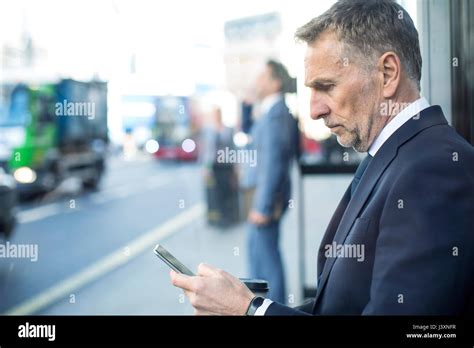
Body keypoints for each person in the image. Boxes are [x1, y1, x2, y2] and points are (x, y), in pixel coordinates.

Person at [169, 0, 474, 315]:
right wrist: (248, 309)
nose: (315, 110)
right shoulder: (399, 154)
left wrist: (251, 309)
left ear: (387, 73)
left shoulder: (432, 171)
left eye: (326, 87)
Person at [238, 60, 299, 304]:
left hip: (264, 202)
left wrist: (262, 207)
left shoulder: (276, 115)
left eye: (262, 76)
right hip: (259, 198)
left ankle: (275, 308)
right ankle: (263, 306)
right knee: (258, 257)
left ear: (275, 83)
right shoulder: (270, 111)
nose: (257, 81)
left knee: (266, 260)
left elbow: (273, 163)